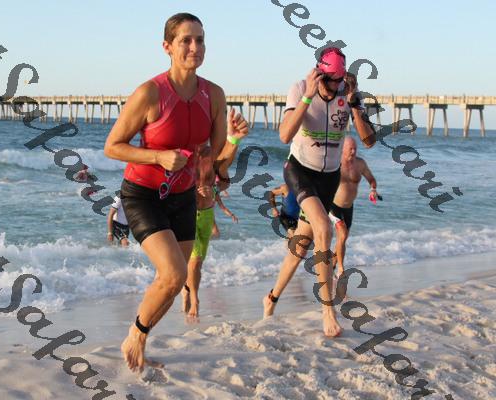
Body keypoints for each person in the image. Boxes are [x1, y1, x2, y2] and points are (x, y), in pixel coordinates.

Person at [103, 13, 248, 373]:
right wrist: (158, 156)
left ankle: (141, 339)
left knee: (177, 278)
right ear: (167, 46)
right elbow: (112, 146)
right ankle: (135, 335)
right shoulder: (150, 93)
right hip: (143, 194)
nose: (195, 47)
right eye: (186, 40)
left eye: (200, 39)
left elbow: (216, 163)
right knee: (172, 274)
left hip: (183, 198)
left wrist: (234, 141)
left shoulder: (214, 95)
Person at [263, 47, 376, 337]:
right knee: (324, 228)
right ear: (318, 74)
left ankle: (271, 298)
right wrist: (308, 97)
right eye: (329, 81)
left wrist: (354, 103)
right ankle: (328, 312)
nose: (334, 88)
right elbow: (284, 135)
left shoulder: (347, 93)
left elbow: (369, 141)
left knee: (300, 247)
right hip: (300, 170)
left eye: (339, 81)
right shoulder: (300, 88)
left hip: (329, 178)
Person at [182, 145, 238, 320]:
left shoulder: (213, 154)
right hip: (187, 214)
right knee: (194, 261)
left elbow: (224, 182)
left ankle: (187, 288)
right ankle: (195, 299)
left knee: (197, 263)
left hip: (207, 215)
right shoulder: (183, 152)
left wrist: (214, 190)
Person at [330, 136, 380, 280]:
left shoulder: (360, 163)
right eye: (350, 149)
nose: (353, 151)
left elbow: (371, 179)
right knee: (342, 234)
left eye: (355, 149)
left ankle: (332, 266)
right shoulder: (335, 162)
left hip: (349, 207)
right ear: (343, 148)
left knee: (342, 239)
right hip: (333, 205)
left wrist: (373, 189)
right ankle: (341, 270)